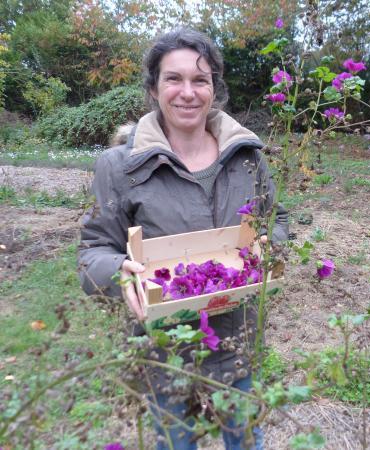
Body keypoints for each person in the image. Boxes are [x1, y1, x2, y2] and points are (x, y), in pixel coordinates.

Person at [78, 28, 288, 450]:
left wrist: (270, 243)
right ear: (154, 89)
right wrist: (118, 271)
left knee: (246, 440)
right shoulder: (119, 167)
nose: (187, 92)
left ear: (215, 89)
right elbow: (93, 251)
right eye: (173, 78)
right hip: (165, 352)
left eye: (200, 80)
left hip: (236, 339)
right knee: (176, 442)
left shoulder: (247, 156)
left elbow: (275, 219)